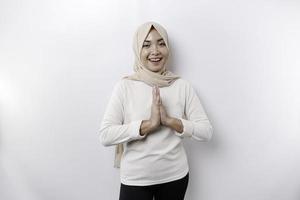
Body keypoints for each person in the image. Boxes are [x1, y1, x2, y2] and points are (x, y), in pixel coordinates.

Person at [99, 21, 213, 200]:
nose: (155, 51)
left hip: (175, 177)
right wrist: (147, 125)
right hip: (135, 180)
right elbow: (105, 135)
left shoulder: (181, 86)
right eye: (146, 45)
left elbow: (206, 131)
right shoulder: (125, 86)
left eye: (161, 43)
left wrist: (171, 122)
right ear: (138, 49)